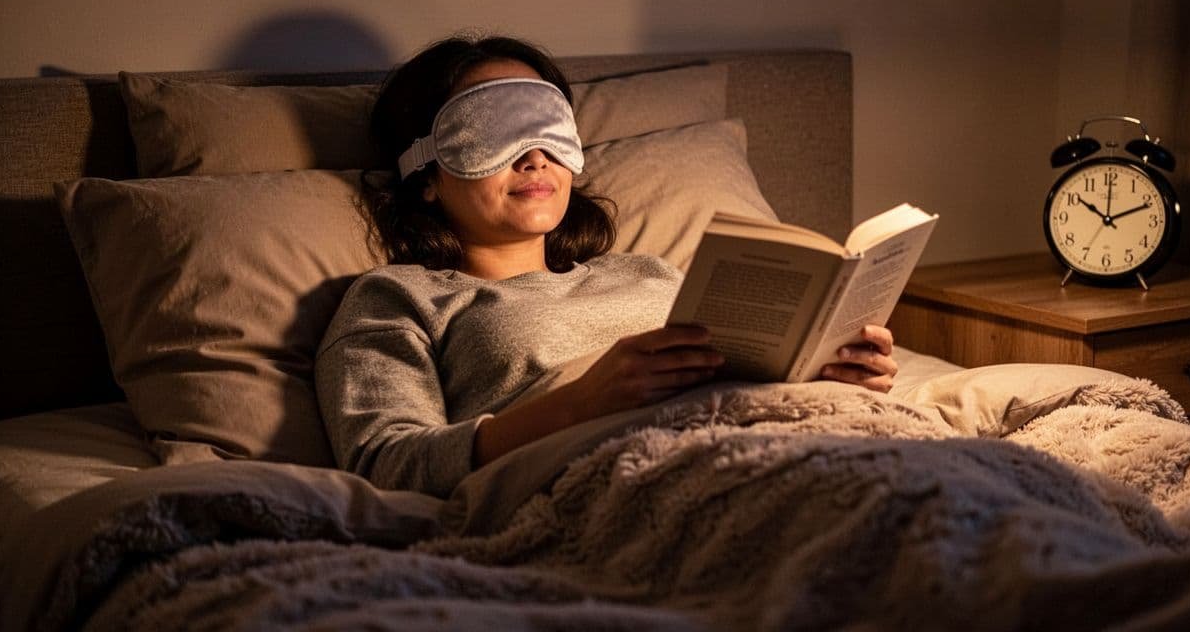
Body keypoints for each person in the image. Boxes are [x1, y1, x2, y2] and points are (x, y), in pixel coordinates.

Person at [314, 34, 898, 496]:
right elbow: (387, 464)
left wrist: (833, 371)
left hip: (776, 439)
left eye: (547, 129)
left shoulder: (647, 273)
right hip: (618, 480)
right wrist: (581, 403)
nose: (535, 157)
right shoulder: (397, 298)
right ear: (426, 178)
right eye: (495, 133)